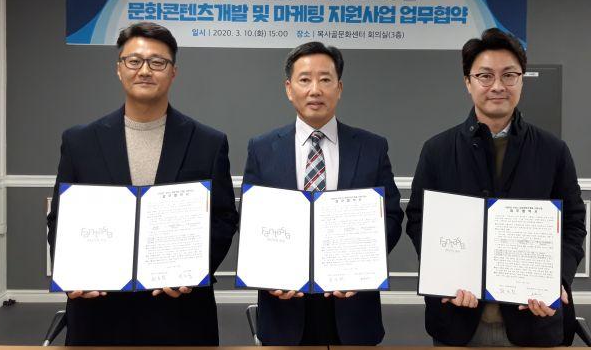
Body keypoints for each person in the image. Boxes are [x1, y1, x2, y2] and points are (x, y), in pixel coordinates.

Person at [47, 21, 238, 345]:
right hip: (99, 311)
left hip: (180, 311)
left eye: (157, 62)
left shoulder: (208, 142)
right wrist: (71, 273)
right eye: (134, 61)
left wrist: (193, 270)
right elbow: (60, 219)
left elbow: (223, 218)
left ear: (173, 72)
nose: (145, 70)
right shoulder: (80, 141)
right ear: (119, 69)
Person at [406, 28, 586, 346]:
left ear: (522, 80)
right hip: (458, 321)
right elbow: (420, 220)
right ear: (468, 82)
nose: (498, 86)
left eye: (509, 75)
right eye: (485, 76)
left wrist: (555, 279)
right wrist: (445, 275)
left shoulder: (553, 150)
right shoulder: (438, 150)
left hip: (534, 321)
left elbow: (573, 224)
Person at [243, 41, 403, 345]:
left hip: (353, 308)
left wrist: (363, 264)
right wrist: (268, 273)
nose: (315, 90)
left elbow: (392, 217)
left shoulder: (371, 147)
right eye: (305, 79)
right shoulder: (262, 149)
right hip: (284, 308)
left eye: (325, 79)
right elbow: (251, 222)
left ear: (339, 88)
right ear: (289, 89)